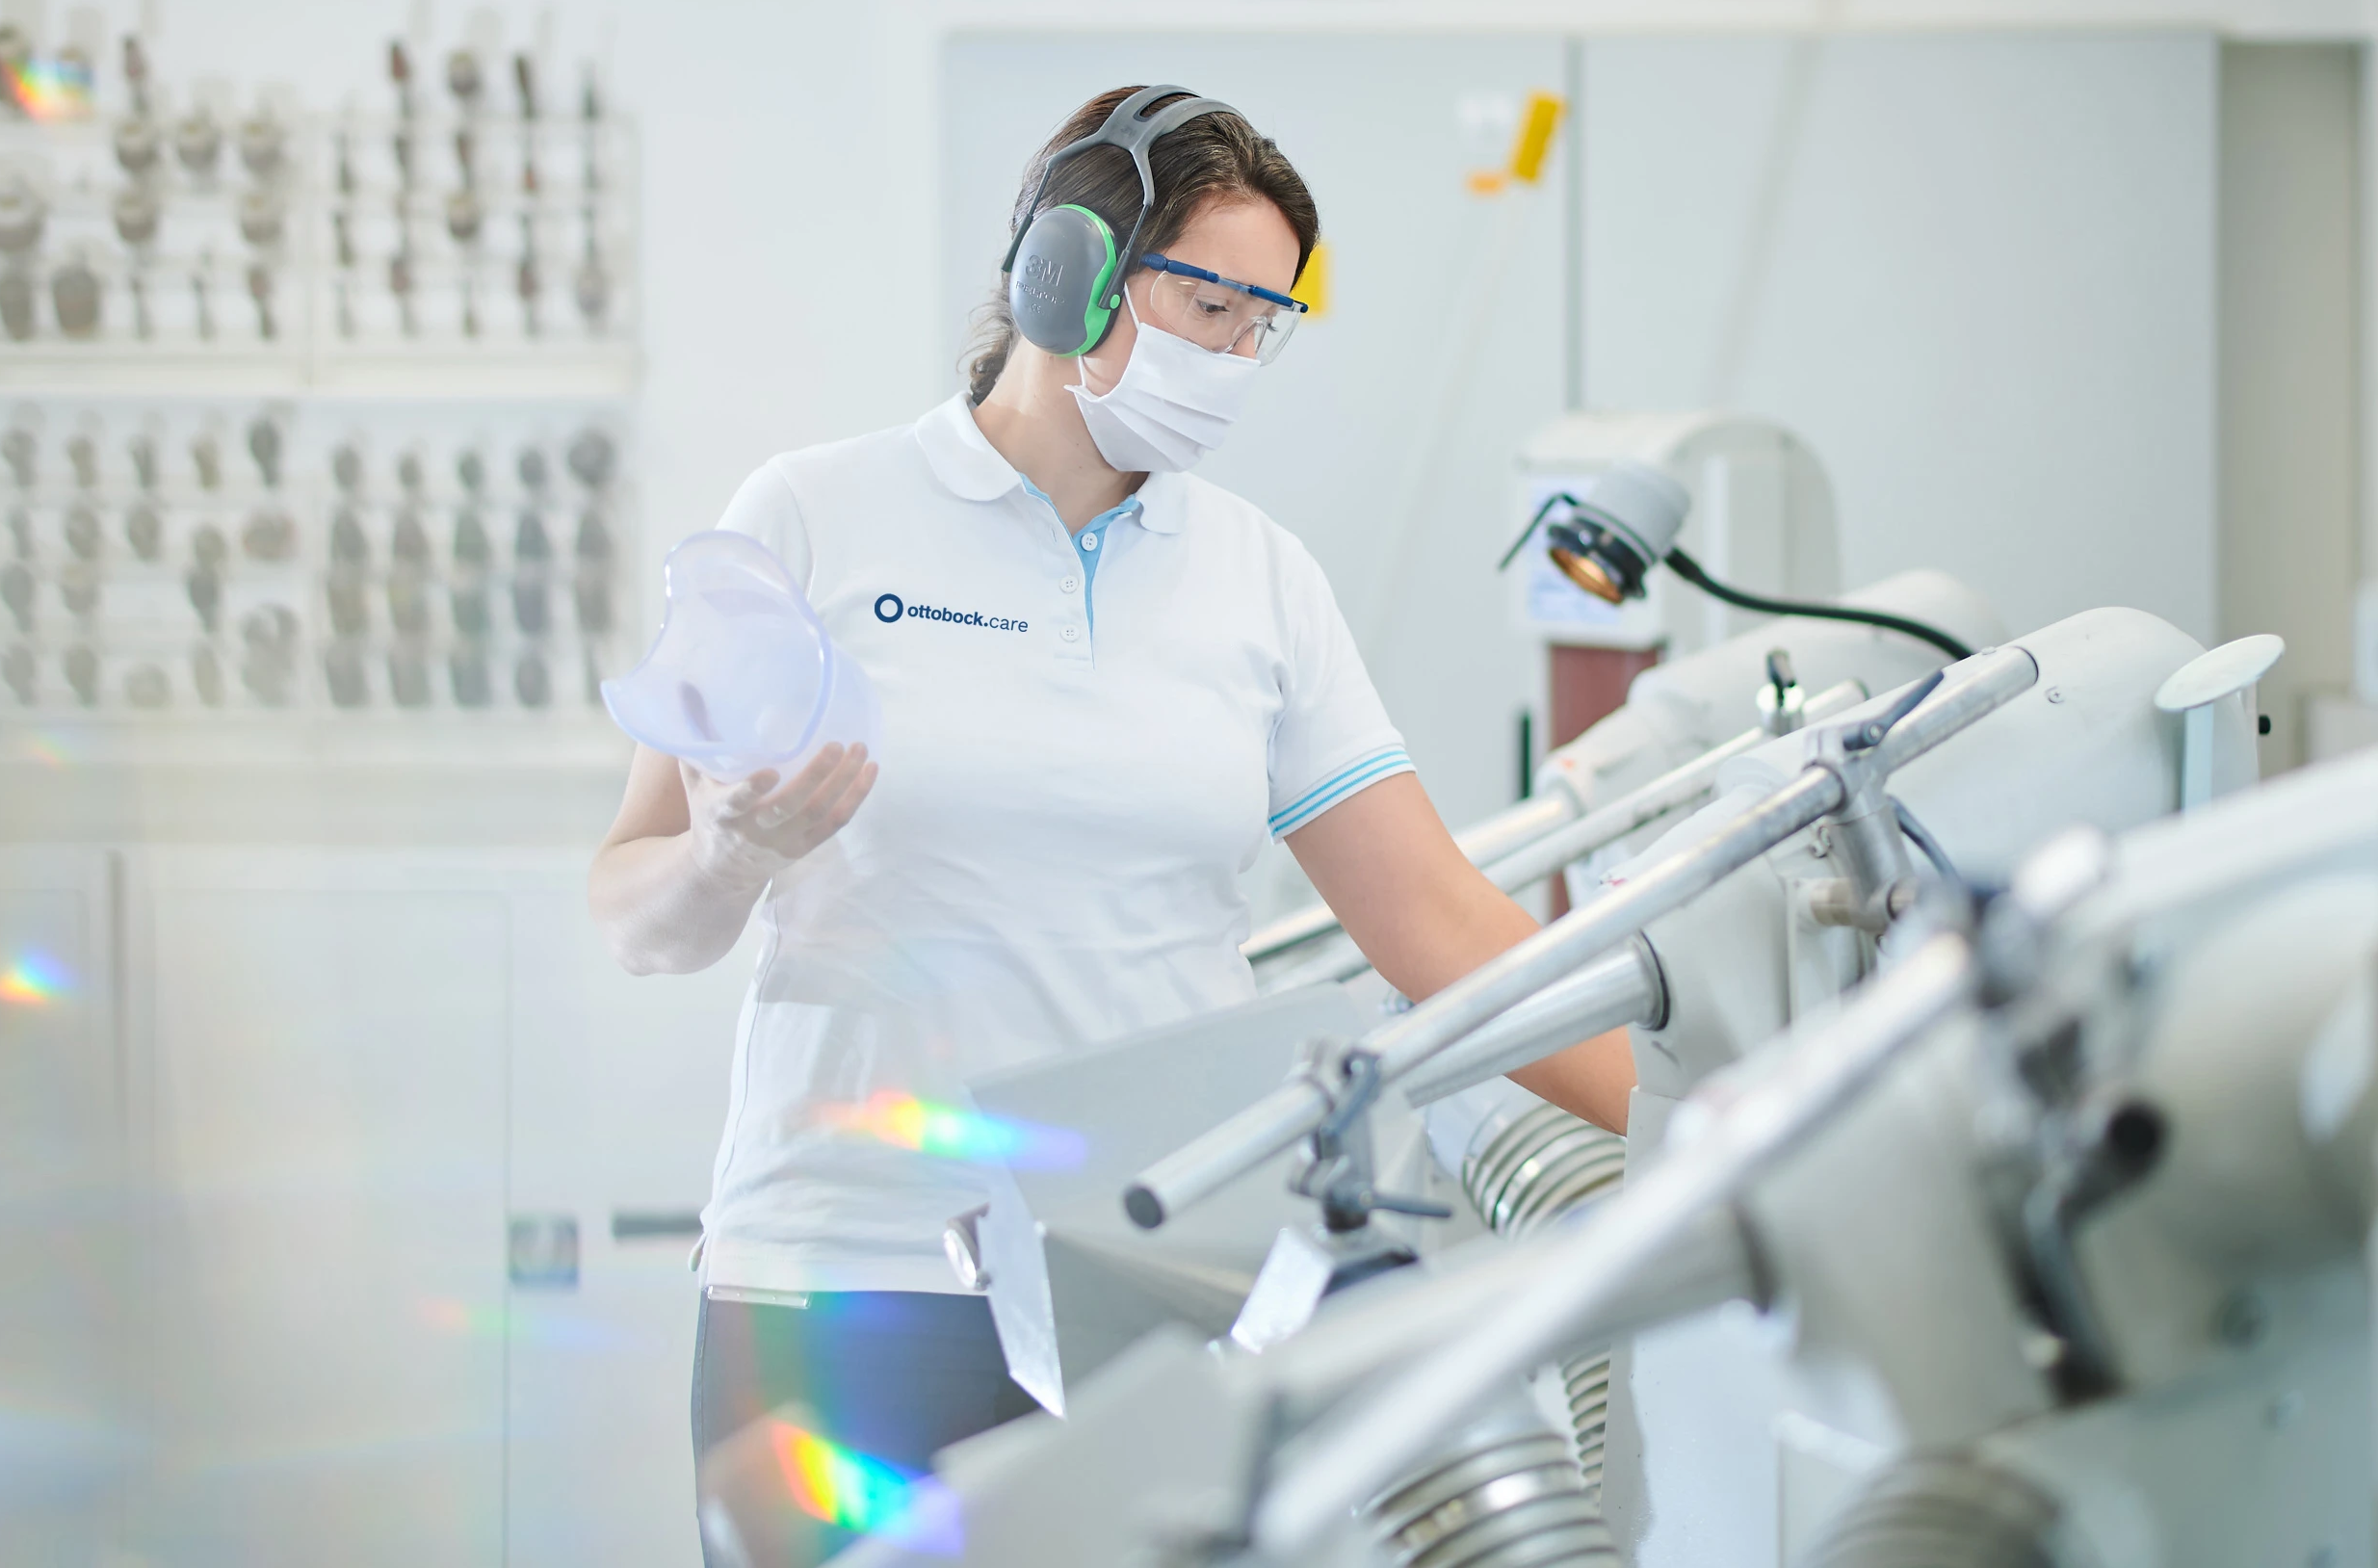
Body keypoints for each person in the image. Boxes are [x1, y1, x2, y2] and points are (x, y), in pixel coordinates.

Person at [588, 84, 1634, 1502]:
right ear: (1066, 273)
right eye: (1213, 306)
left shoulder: (1258, 576)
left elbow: (1435, 917)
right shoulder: (811, 515)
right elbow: (637, 908)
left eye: (1268, 324)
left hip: (1139, 1279)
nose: (1238, 358)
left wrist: (1704, 1120)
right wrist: (721, 853)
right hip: (845, 1280)